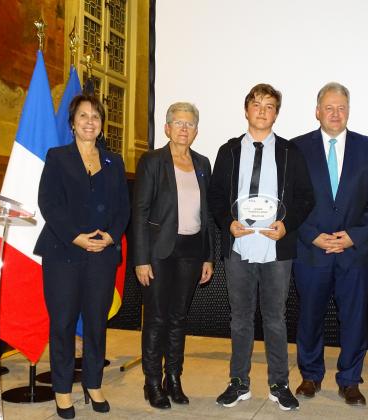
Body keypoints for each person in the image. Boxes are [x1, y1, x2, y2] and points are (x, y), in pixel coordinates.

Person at [208, 84, 314, 411]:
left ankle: (279, 383)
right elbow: (214, 196)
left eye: (270, 106)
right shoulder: (228, 151)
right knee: (239, 318)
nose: (262, 111)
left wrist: (287, 225)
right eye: (257, 104)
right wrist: (228, 221)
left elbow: (306, 197)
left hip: (276, 249)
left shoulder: (289, 152)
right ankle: (238, 382)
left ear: (276, 114)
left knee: (275, 318)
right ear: (246, 110)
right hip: (239, 245)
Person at [292, 82, 368, 406]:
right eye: (329, 107)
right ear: (317, 111)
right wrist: (310, 234)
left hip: (354, 251)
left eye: (341, 107)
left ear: (349, 111)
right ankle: (310, 375)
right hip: (311, 249)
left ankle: (350, 380)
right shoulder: (296, 148)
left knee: (354, 318)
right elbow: (288, 199)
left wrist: (352, 236)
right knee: (310, 317)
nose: (335, 113)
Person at [34, 94, 130, 419]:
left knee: (95, 324)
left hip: (102, 254)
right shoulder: (58, 157)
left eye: (96, 117)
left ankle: (93, 383)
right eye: (84, 116)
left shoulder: (113, 162)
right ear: (73, 123)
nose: (90, 121)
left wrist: (110, 237)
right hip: (63, 252)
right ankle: (62, 390)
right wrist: (77, 238)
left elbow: (123, 208)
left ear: (101, 126)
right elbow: (49, 203)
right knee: (62, 324)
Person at [133, 102, 214, 409]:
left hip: (192, 251)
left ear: (196, 131)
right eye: (178, 123)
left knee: (179, 318)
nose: (184, 128)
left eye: (189, 123)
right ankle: (152, 382)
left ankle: (174, 379)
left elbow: (207, 215)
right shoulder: (152, 161)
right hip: (157, 252)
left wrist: (208, 256)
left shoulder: (203, 163)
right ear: (167, 128)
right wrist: (141, 258)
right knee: (156, 318)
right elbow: (139, 211)